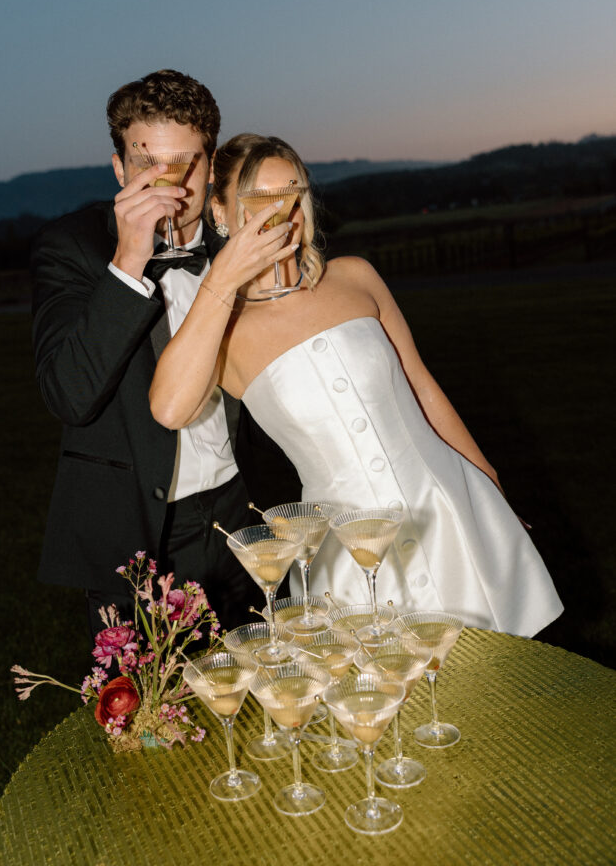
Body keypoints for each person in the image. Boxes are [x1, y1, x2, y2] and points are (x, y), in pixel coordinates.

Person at [148, 133, 563, 638]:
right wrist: (223, 279)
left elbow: (423, 388)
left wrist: (490, 485)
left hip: (449, 513)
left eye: (291, 194)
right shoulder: (223, 331)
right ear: (220, 211)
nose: (280, 214)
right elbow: (169, 408)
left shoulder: (354, 277)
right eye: (258, 199)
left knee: (503, 676)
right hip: (347, 560)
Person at [30, 73, 301, 640]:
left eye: (185, 163)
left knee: (268, 676)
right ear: (119, 169)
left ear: (212, 166)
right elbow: (69, 395)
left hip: (246, 509)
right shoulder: (71, 247)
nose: (168, 183)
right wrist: (129, 260)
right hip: (140, 528)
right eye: (147, 163)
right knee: (153, 698)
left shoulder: (240, 238)